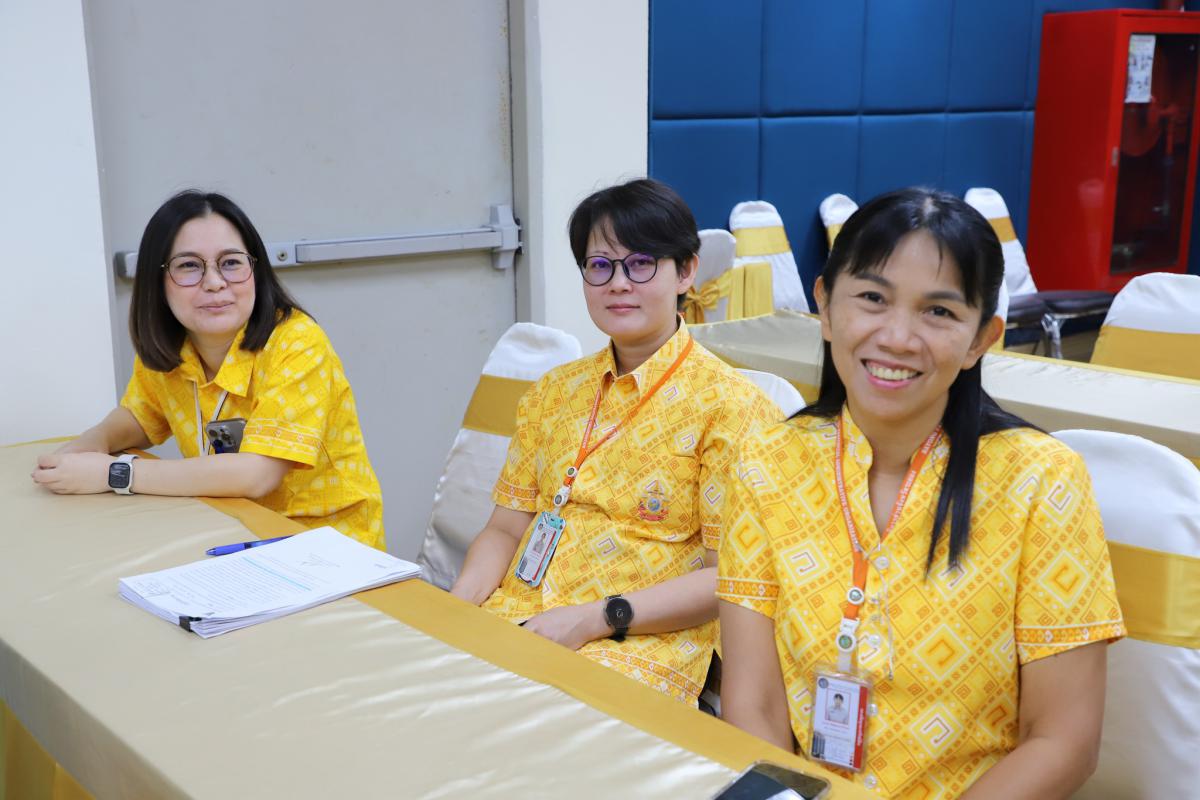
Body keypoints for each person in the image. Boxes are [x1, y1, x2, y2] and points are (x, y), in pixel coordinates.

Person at [718, 188, 1124, 798]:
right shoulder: (767, 461)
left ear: (981, 339)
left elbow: (1063, 741)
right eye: (873, 298)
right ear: (824, 307)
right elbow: (754, 704)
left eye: (938, 311)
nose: (898, 337)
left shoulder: (1041, 481)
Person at [451, 178, 779, 704]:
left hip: (634, 645)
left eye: (641, 263)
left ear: (686, 271)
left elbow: (728, 576)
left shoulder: (732, 408)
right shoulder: (554, 391)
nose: (618, 283)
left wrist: (593, 619)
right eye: (600, 265)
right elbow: (506, 529)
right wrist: (457, 608)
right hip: (517, 618)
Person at [31, 190, 384, 549]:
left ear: (256, 270)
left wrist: (115, 473)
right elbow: (141, 417)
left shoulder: (296, 341)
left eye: (231, 262)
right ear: (158, 280)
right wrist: (94, 442)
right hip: (232, 531)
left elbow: (256, 475)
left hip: (327, 547)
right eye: (189, 266)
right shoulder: (174, 344)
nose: (214, 282)